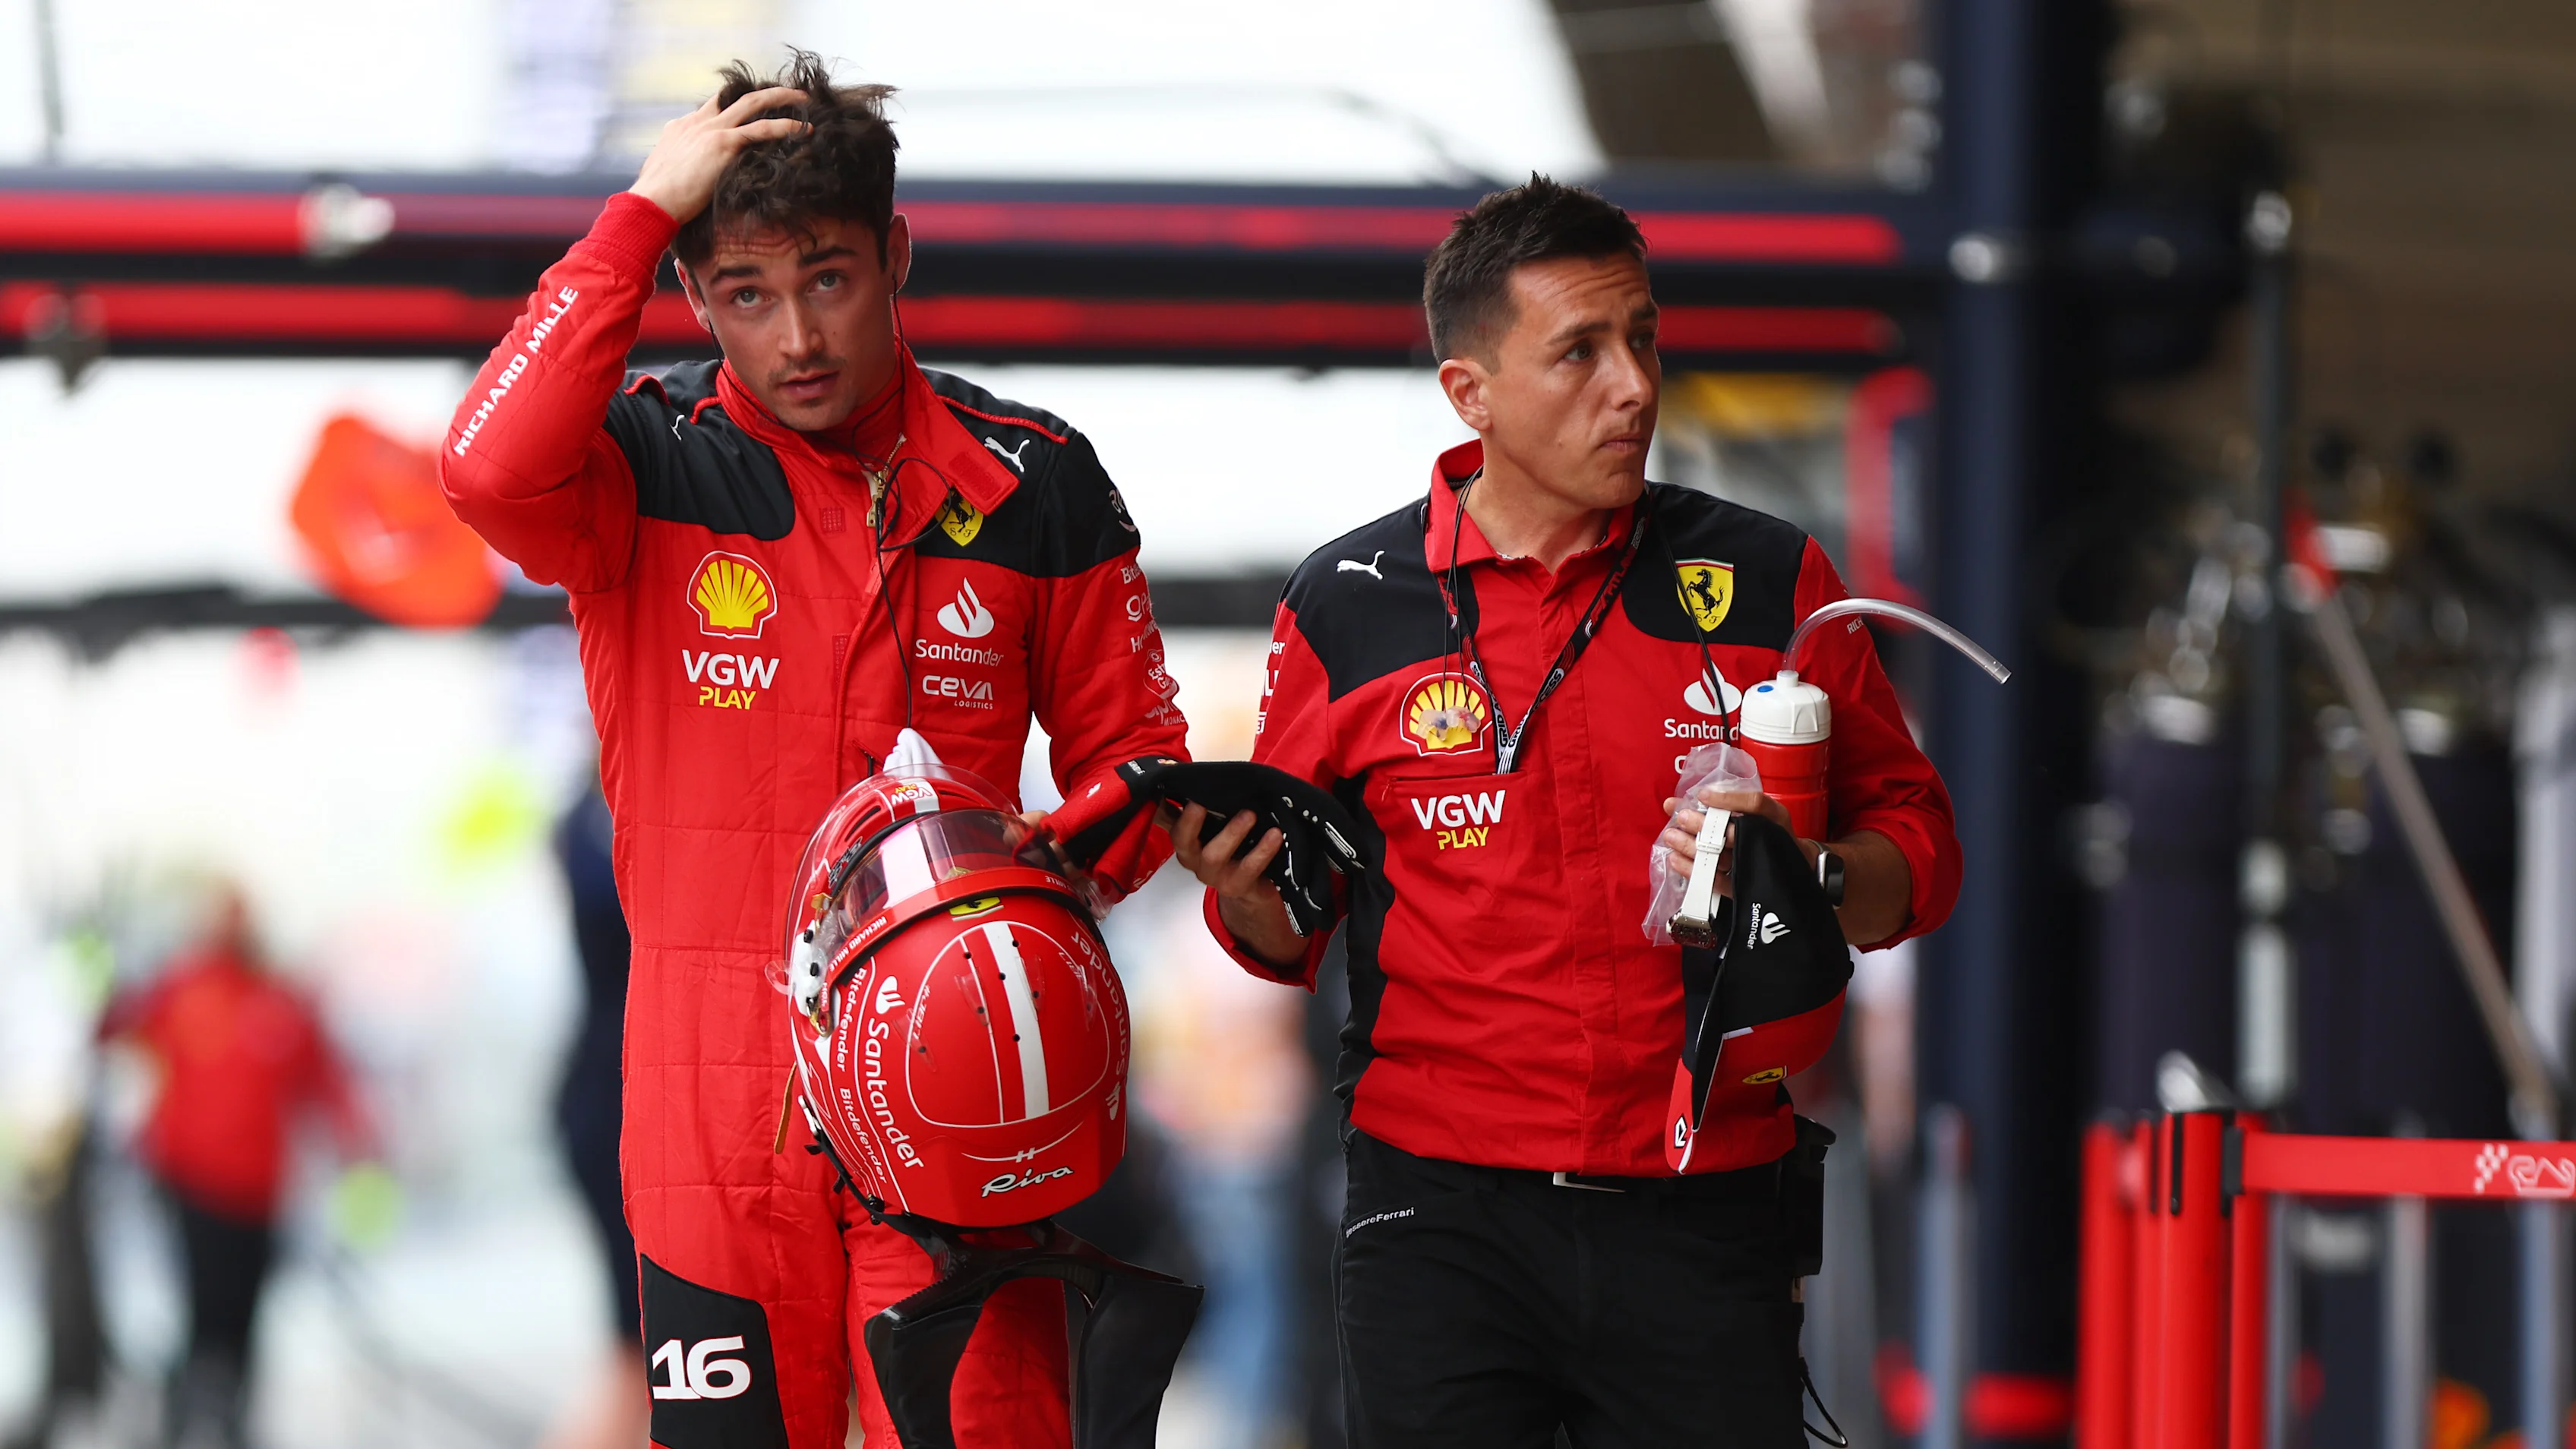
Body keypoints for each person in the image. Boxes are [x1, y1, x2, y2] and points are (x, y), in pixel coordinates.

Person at [437, 50, 1186, 1449]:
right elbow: (483, 469)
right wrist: (638, 215)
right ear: (692, 294)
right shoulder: (641, 464)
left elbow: (1135, 762)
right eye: (743, 293)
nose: (796, 337)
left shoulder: (1038, 478)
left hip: (967, 1087)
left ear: (896, 255)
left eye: (829, 277)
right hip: (708, 1103)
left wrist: (1045, 867)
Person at [1175, 177, 1962, 1447]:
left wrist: (1803, 872)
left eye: (1643, 336)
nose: (1633, 384)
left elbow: (1922, 857)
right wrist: (1238, 892)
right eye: (1580, 352)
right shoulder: (1347, 603)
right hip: (1439, 1223)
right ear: (1469, 392)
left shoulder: (1770, 580)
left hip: (1707, 1200)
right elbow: (1289, 928)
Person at [98, 887, 372, 1449]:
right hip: (192, 1187)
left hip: (261, 1193)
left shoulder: (280, 1000)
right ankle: (188, 1421)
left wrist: (358, 1145)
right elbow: (110, 1027)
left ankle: (234, 1424)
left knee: (246, 1317)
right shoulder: (179, 990)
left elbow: (324, 1079)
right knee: (204, 1314)